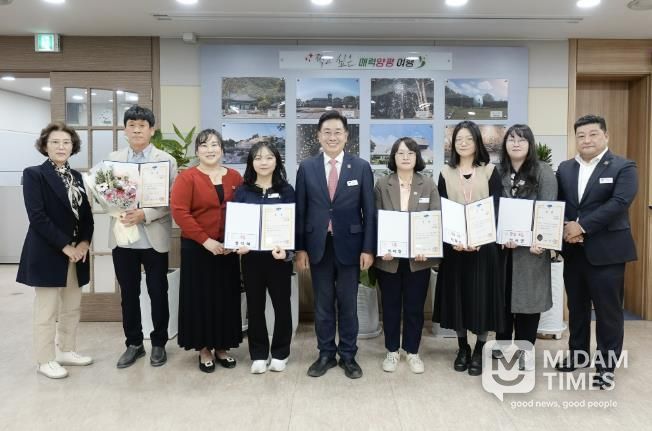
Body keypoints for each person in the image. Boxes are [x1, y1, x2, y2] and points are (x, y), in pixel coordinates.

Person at [555, 114, 637, 389]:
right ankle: (578, 355)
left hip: (607, 252)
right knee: (577, 307)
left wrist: (581, 226)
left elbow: (619, 203)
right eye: (581, 135)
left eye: (593, 134)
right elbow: (559, 203)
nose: (586, 140)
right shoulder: (565, 168)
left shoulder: (623, 166)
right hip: (574, 251)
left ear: (606, 136)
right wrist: (567, 226)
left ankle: (606, 366)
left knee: (607, 312)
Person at [295, 110, 376, 379]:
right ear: (319, 136)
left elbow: (369, 212)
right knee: (323, 304)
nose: (332, 137)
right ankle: (326, 354)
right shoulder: (307, 167)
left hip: (351, 246)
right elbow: (301, 211)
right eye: (327, 132)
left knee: (348, 304)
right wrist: (300, 248)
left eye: (337, 132)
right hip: (318, 246)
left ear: (346, 136)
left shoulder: (361, 167)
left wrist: (368, 249)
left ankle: (349, 356)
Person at [17, 122, 94, 379]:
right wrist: (66, 246)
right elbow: (37, 217)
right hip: (48, 251)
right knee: (47, 311)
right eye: (55, 142)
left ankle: (66, 350)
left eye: (66, 142)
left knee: (72, 306)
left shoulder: (78, 177)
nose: (61, 147)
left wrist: (84, 243)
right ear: (45, 146)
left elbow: (86, 216)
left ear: (73, 147)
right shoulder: (34, 175)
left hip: (76, 253)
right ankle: (44, 359)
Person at [108, 105, 177, 369]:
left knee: (158, 291)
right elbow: (104, 195)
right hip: (123, 236)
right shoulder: (113, 159)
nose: (137, 130)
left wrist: (144, 214)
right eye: (132, 125)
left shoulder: (166, 160)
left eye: (142, 126)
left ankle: (159, 343)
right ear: (125, 129)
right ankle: (134, 344)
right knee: (129, 293)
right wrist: (117, 207)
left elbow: (172, 200)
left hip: (153, 237)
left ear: (152, 130)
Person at [433, 120, 504, 376]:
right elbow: (441, 210)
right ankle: (462, 347)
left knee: (482, 299)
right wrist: (452, 240)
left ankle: (480, 348)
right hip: (455, 248)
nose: (463, 143)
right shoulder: (445, 172)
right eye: (459, 139)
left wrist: (480, 238)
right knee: (458, 299)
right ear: (453, 144)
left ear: (477, 142)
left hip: (483, 248)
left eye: (469, 139)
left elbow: (496, 208)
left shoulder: (489, 171)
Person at [170, 129, 243, 373]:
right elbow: (180, 212)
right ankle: (203, 349)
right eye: (204, 145)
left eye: (214, 145)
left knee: (225, 297)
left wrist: (236, 240)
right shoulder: (187, 177)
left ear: (222, 149)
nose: (210, 149)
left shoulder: (235, 176)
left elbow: (243, 209)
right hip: (197, 248)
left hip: (227, 250)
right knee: (200, 299)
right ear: (197, 151)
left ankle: (222, 346)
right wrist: (206, 240)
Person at [374, 137, 440, 374]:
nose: (405, 157)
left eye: (410, 153)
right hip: (389, 258)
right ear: (393, 157)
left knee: (414, 307)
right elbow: (376, 218)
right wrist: (382, 246)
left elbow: (435, 218)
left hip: (418, 260)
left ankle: (412, 351)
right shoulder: (382, 184)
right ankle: (392, 351)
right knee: (390, 306)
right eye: (400, 153)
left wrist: (427, 247)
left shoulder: (428, 184)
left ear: (417, 157)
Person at [494, 124, 557, 371]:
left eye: (522, 140)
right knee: (502, 299)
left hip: (531, 251)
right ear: (505, 144)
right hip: (502, 250)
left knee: (528, 304)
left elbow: (549, 208)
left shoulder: (543, 171)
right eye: (511, 139)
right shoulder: (497, 171)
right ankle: (501, 346)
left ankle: (525, 352)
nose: (516, 144)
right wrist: (501, 234)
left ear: (530, 144)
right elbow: (492, 208)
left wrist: (541, 240)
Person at [233, 142, 295, 374]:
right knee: (255, 307)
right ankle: (258, 354)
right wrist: (238, 244)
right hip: (251, 259)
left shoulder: (286, 190)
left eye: (269, 157)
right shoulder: (243, 191)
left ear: (276, 161)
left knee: (282, 306)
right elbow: (236, 225)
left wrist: (288, 251)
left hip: (278, 259)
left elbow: (294, 224)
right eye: (258, 158)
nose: (264, 162)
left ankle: (280, 352)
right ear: (251, 163)